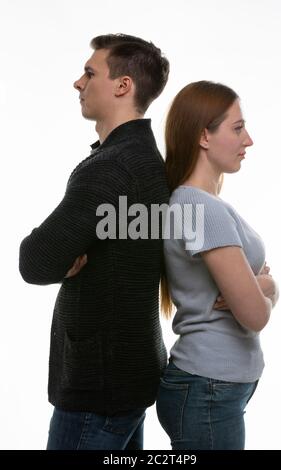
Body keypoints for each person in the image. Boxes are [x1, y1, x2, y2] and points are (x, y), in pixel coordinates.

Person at [19, 34, 170, 450]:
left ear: (123, 86)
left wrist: (60, 255)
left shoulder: (112, 168)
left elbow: (34, 261)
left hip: (98, 387)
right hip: (125, 375)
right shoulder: (142, 157)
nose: (78, 83)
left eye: (89, 73)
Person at [156, 81, 279, 450]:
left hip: (211, 386)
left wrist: (263, 290)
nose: (249, 140)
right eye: (237, 128)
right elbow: (255, 316)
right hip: (208, 388)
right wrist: (269, 289)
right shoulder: (203, 209)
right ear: (204, 137)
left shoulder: (198, 203)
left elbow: (253, 301)